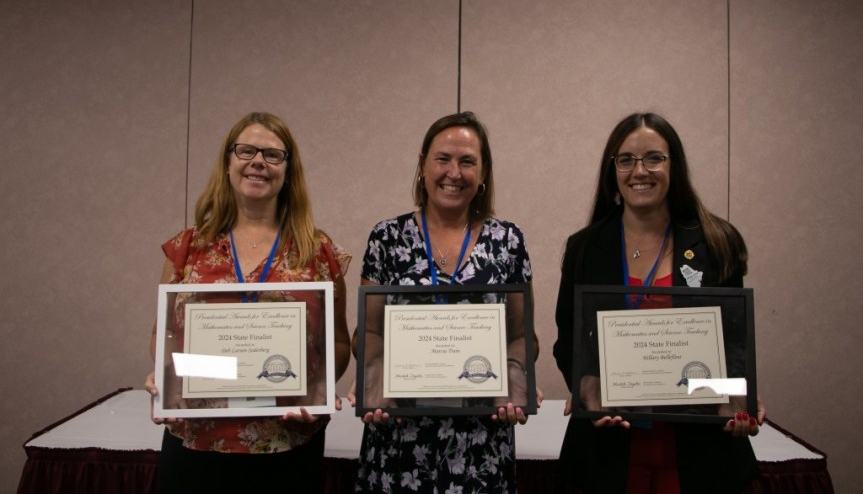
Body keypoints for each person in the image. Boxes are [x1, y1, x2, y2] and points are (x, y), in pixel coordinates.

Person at [553, 112, 765, 494]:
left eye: (654, 157)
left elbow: (733, 343)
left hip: (699, 453)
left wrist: (738, 393)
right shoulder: (585, 247)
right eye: (626, 159)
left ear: (674, 166)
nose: (640, 170)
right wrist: (587, 389)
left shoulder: (718, 242)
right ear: (613, 170)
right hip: (608, 452)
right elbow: (568, 339)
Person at [145, 112, 351, 493]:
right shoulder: (187, 248)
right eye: (246, 151)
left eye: (273, 155)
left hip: (288, 443)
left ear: (288, 171)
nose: (258, 161)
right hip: (196, 441)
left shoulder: (319, 252)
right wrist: (164, 375)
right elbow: (163, 336)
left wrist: (318, 389)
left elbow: (338, 343)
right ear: (228, 163)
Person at [350, 112, 539, 494]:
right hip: (399, 438)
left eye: (467, 161)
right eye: (443, 159)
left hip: (481, 442)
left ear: (483, 172)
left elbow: (522, 337)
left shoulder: (509, 241)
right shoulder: (387, 238)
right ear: (423, 165)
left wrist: (516, 381)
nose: (454, 172)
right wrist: (372, 380)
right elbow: (368, 333)